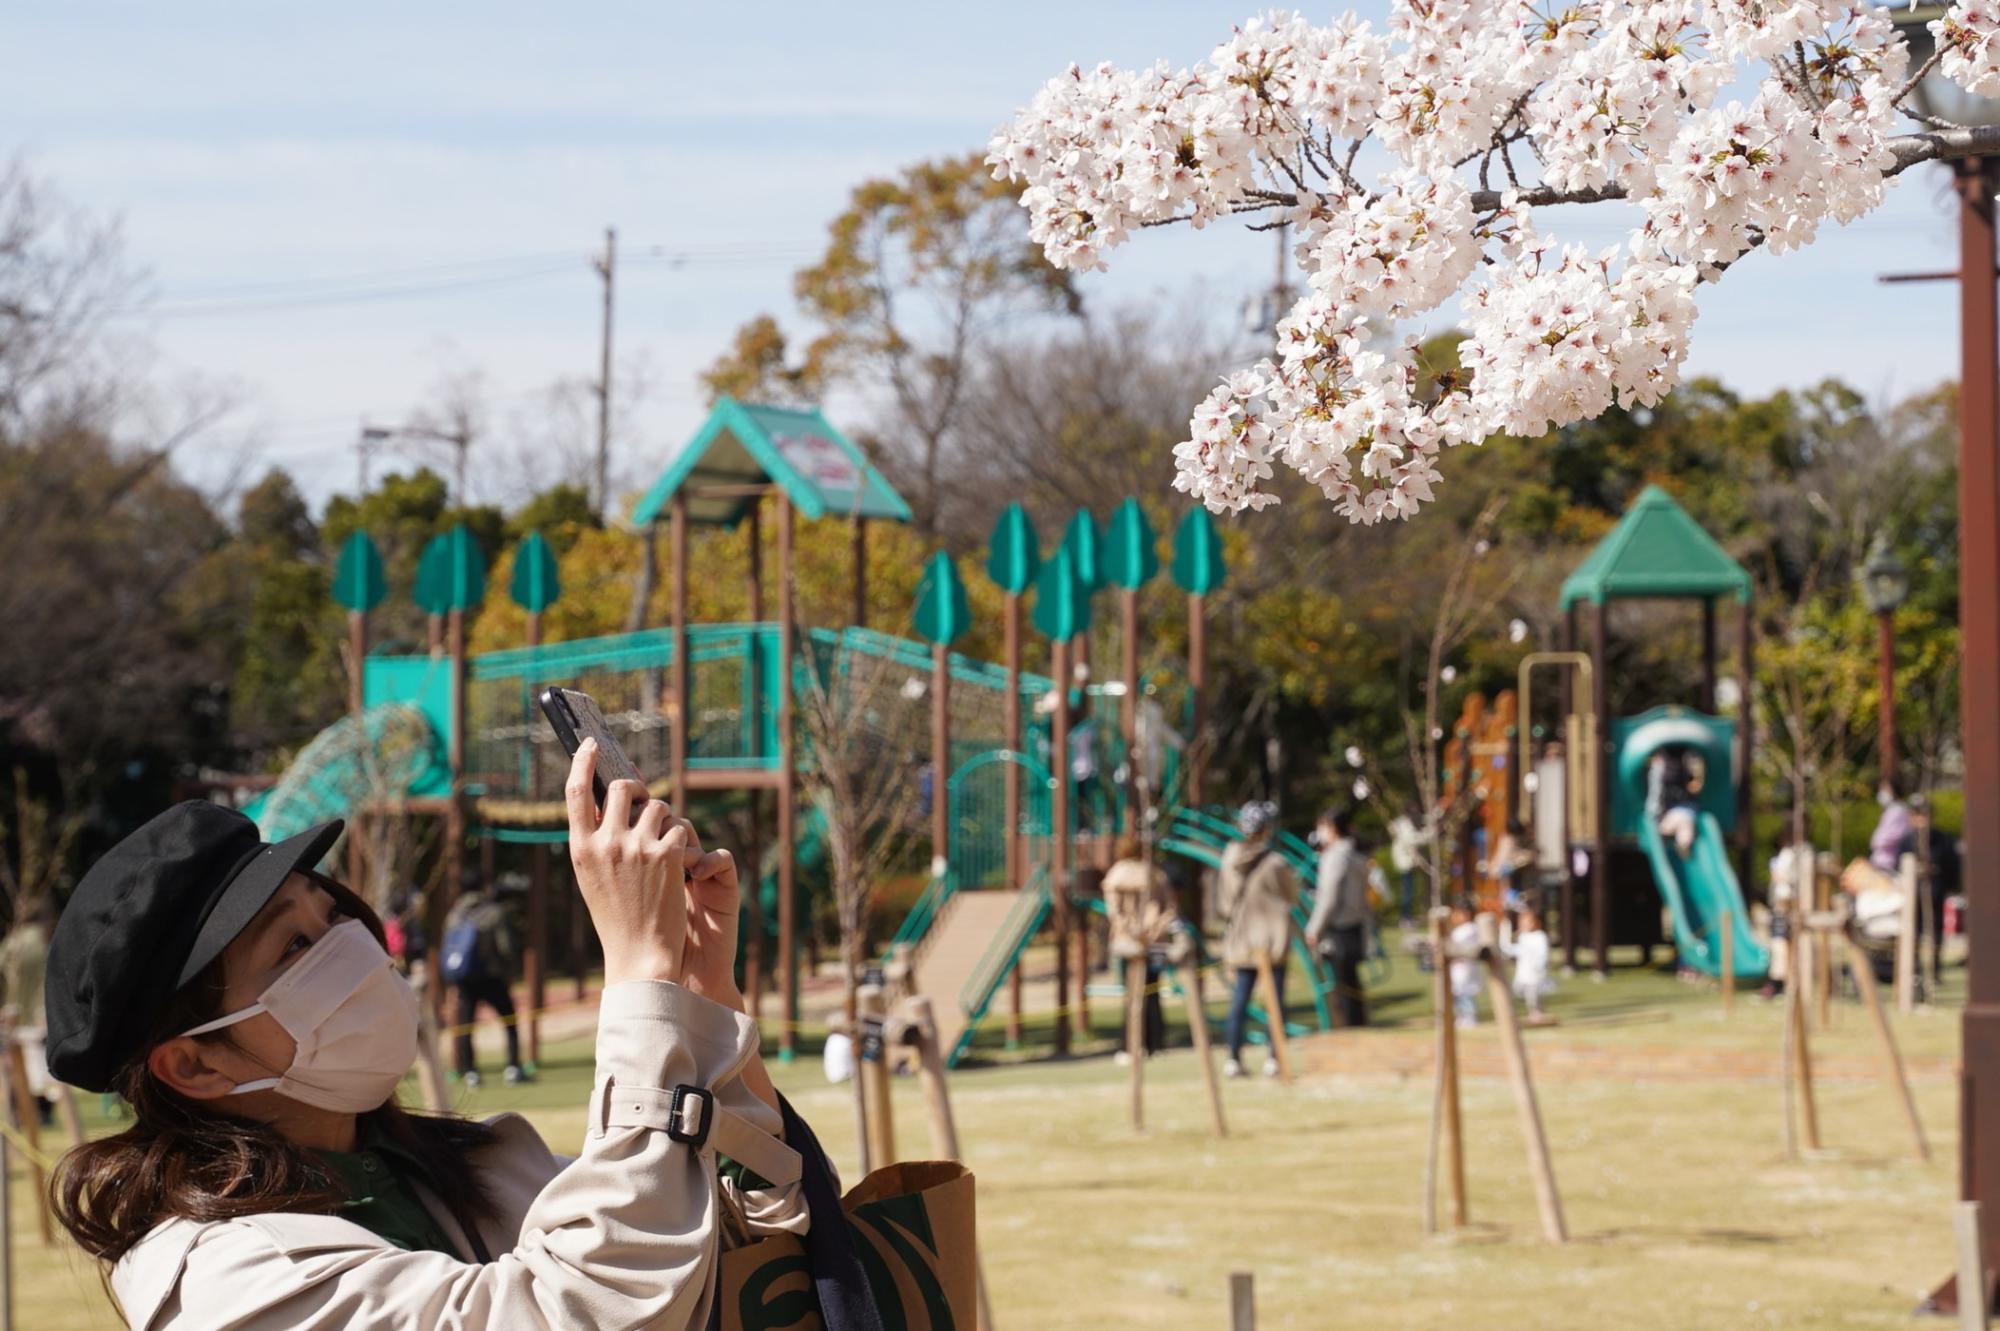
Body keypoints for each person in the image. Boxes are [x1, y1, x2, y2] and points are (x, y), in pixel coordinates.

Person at [46, 742, 808, 1331]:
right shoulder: (230, 1283)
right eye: (292, 949)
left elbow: (750, 1235)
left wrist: (699, 986)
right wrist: (639, 977)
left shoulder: (465, 1167)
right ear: (194, 1063)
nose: (349, 946)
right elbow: (579, 1308)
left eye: (329, 915)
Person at [1217, 801, 1301, 1078]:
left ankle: (1232, 1057)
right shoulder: (1275, 863)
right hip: (1271, 939)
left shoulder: (1229, 859)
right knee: (1274, 1000)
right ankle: (1273, 1057)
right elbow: (1291, 896)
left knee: (1240, 999)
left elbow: (1225, 904)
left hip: (1242, 938)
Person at [442, 871, 526, 1087]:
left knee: (465, 1025)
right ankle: (513, 1068)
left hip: (464, 978)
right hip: (491, 976)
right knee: (509, 1020)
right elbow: (505, 945)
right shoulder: (493, 912)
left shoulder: (454, 914)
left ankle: (470, 1072)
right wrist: (510, 970)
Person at [1103, 835, 1182, 1062]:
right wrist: (1155, 929)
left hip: (1129, 943)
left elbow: (1115, 913)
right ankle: (1155, 1043)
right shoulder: (1155, 873)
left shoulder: (1116, 875)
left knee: (1133, 996)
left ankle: (1131, 1045)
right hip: (1155, 941)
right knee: (1153, 992)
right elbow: (1170, 907)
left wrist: (1132, 931)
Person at [1305, 807, 1372, 1029]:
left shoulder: (1335, 857)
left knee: (1342, 985)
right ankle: (1357, 1024)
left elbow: (1328, 897)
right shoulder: (1354, 853)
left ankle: (1349, 1028)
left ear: (1332, 828)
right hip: (1355, 923)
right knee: (1351, 982)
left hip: (1340, 927)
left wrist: (1314, 928)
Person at [0, 898, 56, 1125]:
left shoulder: (10, 944)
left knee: (16, 1069)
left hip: (14, 1015)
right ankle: (42, 1115)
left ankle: (18, 1114)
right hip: (40, 1015)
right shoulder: (45, 943)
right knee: (46, 1070)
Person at [1646, 746, 1702, 857]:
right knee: (1685, 824)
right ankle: (1680, 844)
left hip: (1672, 811)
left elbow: (1656, 793)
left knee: (1682, 823)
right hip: (1678, 811)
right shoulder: (1676, 768)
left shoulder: (1662, 768)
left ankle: (1666, 838)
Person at [1504, 906, 1554, 1024]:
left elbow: (1543, 953)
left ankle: (1536, 1012)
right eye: (1522, 922)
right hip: (1523, 972)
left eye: (1528, 922)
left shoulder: (1540, 936)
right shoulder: (1522, 937)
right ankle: (1537, 1009)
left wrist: (1540, 965)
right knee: (1518, 991)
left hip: (1535, 973)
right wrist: (1507, 949)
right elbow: (1518, 950)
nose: (1524, 925)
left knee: (1532, 995)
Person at [1388, 803, 1426, 926]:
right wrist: (1428, 835)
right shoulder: (1404, 825)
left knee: (1409, 890)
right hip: (1405, 862)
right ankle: (1405, 918)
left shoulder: (1403, 824)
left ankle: (1407, 917)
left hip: (1406, 861)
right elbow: (1412, 840)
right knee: (1407, 892)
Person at [1869, 777, 1915, 875]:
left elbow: (1895, 835)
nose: (1882, 792)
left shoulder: (1898, 810)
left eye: (1885, 789)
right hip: (1880, 861)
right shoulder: (1890, 810)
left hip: (1890, 862)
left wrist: (1878, 841)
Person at [1448, 899, 1482, 1028]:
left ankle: (1470, 1017)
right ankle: (1461, 1016)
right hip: (1457, 967)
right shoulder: (1458, 930)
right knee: (1457, 992)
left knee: (1465, 992)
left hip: (1465, 967)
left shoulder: (1470, 929)